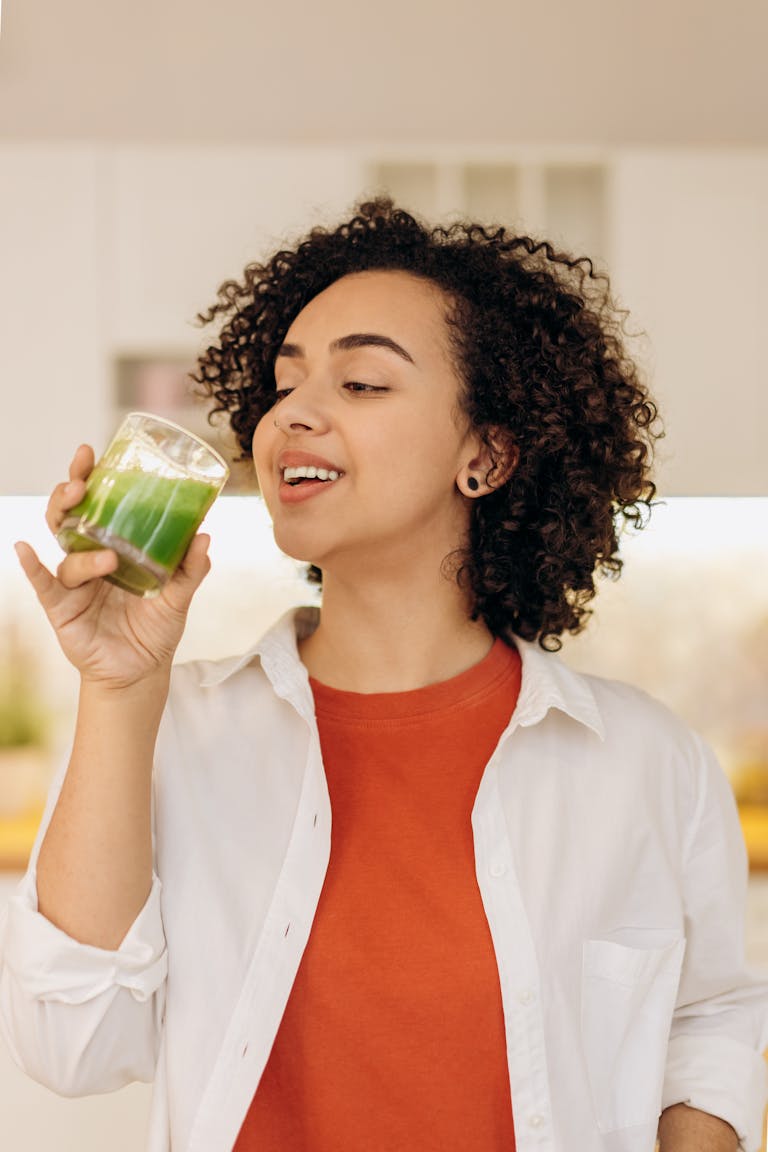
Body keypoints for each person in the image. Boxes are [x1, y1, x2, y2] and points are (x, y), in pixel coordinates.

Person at [0, 197, 766, 1152]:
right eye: (284, 385)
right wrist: (116, 689)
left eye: (362, 383)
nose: (294, 414)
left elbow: (707, 1025)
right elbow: (74, 1046)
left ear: (484, 455)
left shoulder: (646, 761)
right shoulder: (174, 728)